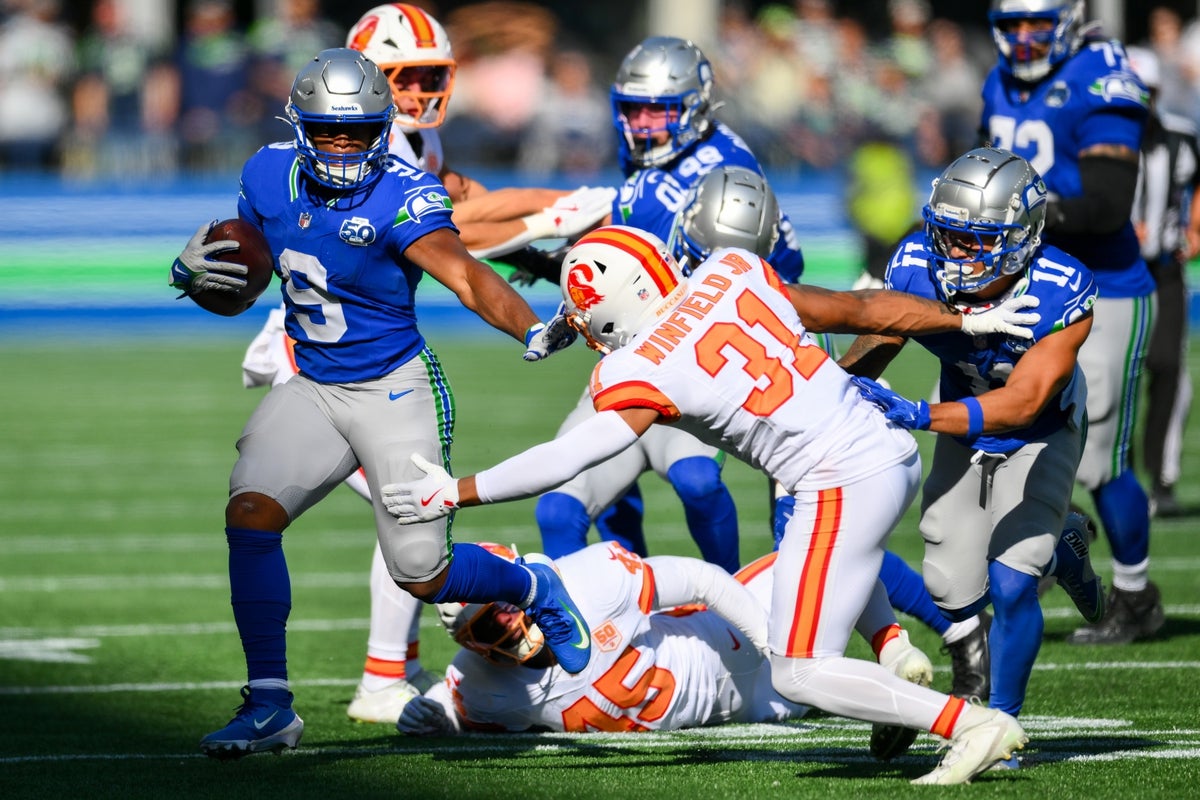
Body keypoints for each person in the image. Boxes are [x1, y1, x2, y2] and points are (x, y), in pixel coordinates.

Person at [381, 224, 1044, 784]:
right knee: (807, 595)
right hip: (879, 447)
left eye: (588, 323)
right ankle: (898, 655)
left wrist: (460, 489)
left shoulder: (637, 368)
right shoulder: (733, 270)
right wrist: (964, 319)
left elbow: (570, 457)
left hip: (839, 477)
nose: (586, 334)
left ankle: (971, 723)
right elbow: (857, 310)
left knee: (800, 672)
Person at [170, 47, 582, 760]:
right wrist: (197, 270)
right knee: (250, 514)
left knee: (420, 574)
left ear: (379, 128)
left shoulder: (402, 191)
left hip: (393, 387)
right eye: (328, 130)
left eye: (358, 131)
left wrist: (533, 326)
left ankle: (529, 582)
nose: (342, 145)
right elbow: (251, 263)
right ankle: (269, 703)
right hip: (314, 384)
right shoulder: (267, 173)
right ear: (299, 126)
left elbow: (465, 274)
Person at [840, 148, 1104, 765]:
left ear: (1021, 238)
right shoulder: (915, 266)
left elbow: (1023, 401)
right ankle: (1063, 536)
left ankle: (1002, 726)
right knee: (952, 590)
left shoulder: (1061, 287)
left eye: (974, 241)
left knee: (1013, 585)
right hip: (960, 422)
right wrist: (833, 384)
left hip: (1042, 428)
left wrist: (921, 415)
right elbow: (879, 338)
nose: (954, 254)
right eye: (948, 236)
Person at [531, 36, 806, 572]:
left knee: (722, 489)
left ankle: (735, 601)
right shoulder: (653, 157)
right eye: (632, 108)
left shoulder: (723, 167)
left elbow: (773, 266)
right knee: (584, 489)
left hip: (699, 348)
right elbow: (631, 244)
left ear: (695, 106)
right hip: (640, 343)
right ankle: (622, 608)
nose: (641, 122)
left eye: (656, 108)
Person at [981, 0, 1165, 645]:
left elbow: (1108, 208)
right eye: (1012, 26)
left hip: (1107, 289)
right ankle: (1046, 548)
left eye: (1036, 23)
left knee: (1100, 461)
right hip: (1027, 288)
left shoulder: (1101, 75)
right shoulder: (998, 81)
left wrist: (1018, 214)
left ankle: (1137, 595)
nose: (1024, 38)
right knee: (1005, 438)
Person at [397, 542, 937, 737]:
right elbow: (449, 704)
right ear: (474, 646)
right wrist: (425, 714)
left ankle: (893, 646)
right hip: (759, 707)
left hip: (733, 642)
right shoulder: (484, 686)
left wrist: (771, 649)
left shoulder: (590, 582)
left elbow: (702, 579)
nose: (512, 622)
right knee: (820, 685)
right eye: (491, 624)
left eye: (511, 605)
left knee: (838, 555)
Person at [1126, 46, 1200, 518]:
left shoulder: (1180, 136)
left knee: (1168, 369)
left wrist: (1194, 230)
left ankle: (1162, 477)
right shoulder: (1094, 136)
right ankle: (1118, 475)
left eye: (1145, 92)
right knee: (1115, 376)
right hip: (1113, 270)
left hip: (1165, 269)